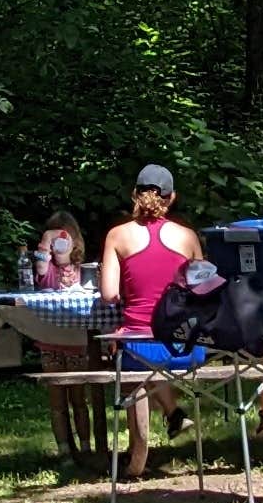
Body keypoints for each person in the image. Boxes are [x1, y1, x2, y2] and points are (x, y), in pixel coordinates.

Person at [99, 161, 203, 483]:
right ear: (173, 198)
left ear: (134, 195)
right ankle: (173, 413)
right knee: (152, 356)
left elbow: (108, 294)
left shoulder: (118, 236)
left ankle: (137, 458)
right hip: (187, 346)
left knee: (134, 355)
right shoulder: (187, 237)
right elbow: (203, 287)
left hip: (140, 346)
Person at [31, 206, 97, 469]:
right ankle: (64, 451)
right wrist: (46, 242)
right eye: (54, 241)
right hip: (50, 342)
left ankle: (85, 447)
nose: (59, 245)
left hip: (76, 343)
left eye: (64, 239)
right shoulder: (46, 272)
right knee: (57, 401)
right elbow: (39, 267)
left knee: (79, 399)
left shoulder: (83, 271)